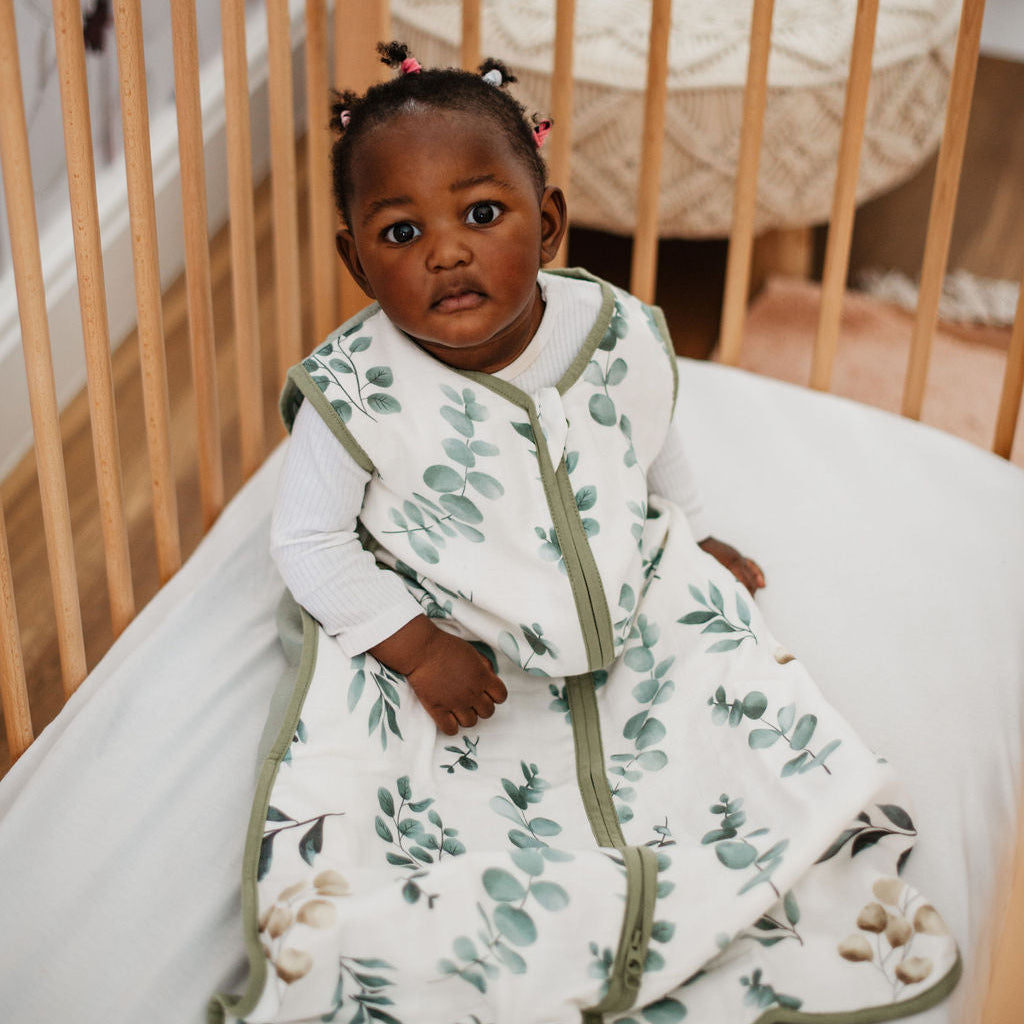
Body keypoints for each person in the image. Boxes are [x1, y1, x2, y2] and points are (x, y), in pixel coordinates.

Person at [270, 41, 764, 738]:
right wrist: (418, 650)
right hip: (450, 629)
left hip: (618, 605)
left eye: (481, 214)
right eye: (402, 231)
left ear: (549, 224)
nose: (445, 252)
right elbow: (308, 540)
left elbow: (644, 431)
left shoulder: (609, 330)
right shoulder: (353, 394)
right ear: (357, 262)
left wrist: (695, 528)